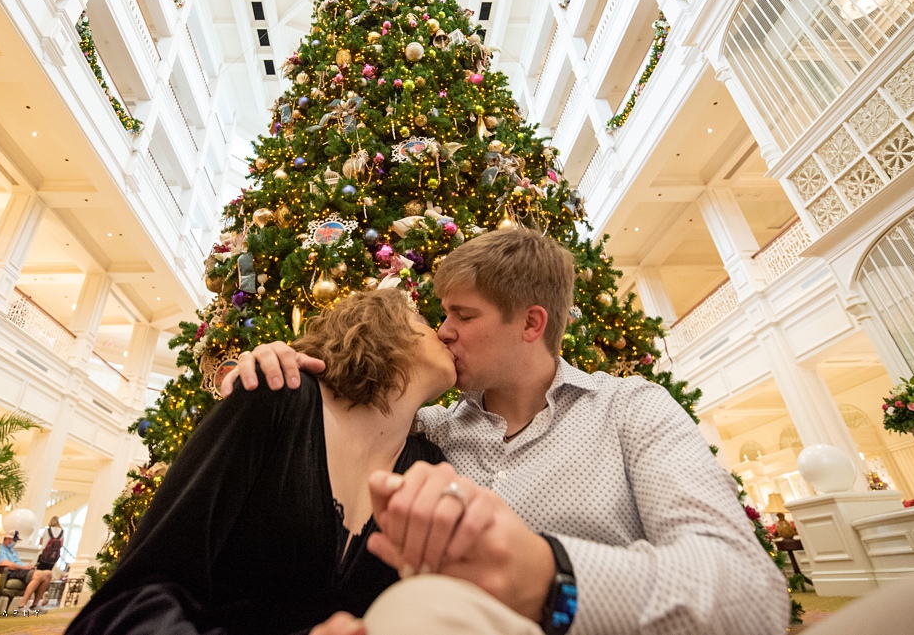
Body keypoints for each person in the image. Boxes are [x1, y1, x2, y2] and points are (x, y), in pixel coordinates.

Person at [228, 228, 790, 635]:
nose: (443, 333)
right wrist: (283, 361)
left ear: (530, 322)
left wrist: (553, 577)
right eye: (440, 317)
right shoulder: (428, 434)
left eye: (462, 316)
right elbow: (348, 410)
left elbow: (753, 596)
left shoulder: (630, 410)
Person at [65, 288, 457, 635]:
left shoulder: (429, 467)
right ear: (382, 329)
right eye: (423, 320)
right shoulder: (275, 399)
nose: (443, 331)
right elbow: (133, 596)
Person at [0, 530, 53, 614]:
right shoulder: (1, 549)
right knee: (39, 574)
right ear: (7, 539)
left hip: (21, 571)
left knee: (48, 573)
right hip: (12, 572)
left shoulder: (13, 551)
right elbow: (5, 564)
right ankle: (22, 606)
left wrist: (28, 567)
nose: (15, 542)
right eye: (14, 540)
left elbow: (18, 563)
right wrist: (24, 567)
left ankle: (34, 605)